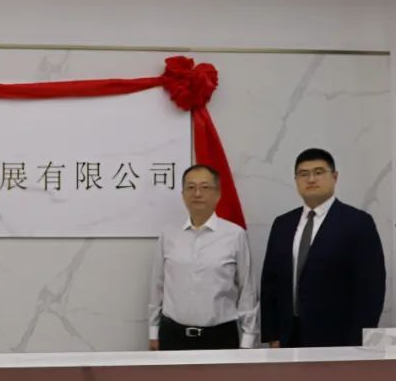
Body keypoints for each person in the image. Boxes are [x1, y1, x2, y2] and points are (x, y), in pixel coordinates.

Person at [261, 148, 385, 348]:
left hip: (339, 339)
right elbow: (270, 282)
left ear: (335, 177)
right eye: (303, 174)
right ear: (296, 180)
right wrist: (272, 335)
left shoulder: (358, 222)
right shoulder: (282, 224)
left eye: (318, 172)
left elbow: (371, 289)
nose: (311, 179)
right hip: (288, 336)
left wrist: (357, 341)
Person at [148, 164, 259, 350]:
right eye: (190, 187)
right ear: (183, 194)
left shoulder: (235, 234)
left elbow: (247, 290)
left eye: (205, 187)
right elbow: (157, 286)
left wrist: (248, 340)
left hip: (220, 336)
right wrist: (153, 331)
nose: (197, 193)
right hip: (173, 335)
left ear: (218, 194)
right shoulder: (169, 235)